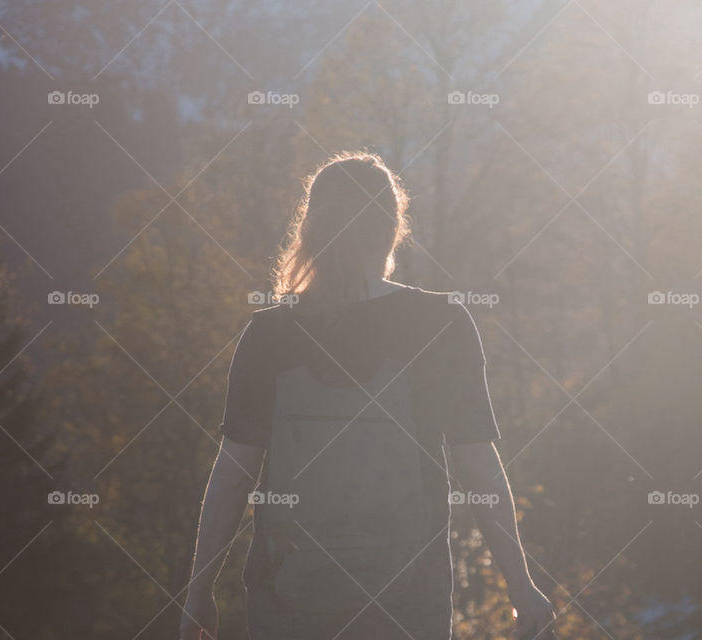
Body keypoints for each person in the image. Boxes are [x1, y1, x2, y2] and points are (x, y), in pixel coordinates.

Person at [180, 151, 555, 639]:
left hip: (289, 605)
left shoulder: (270, 332)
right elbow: (479, 466)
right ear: (392, 229)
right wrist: (520, 586)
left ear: (310, 229)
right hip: (409, 606)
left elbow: (233, 478)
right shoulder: (441, 324)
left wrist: (198, 592)